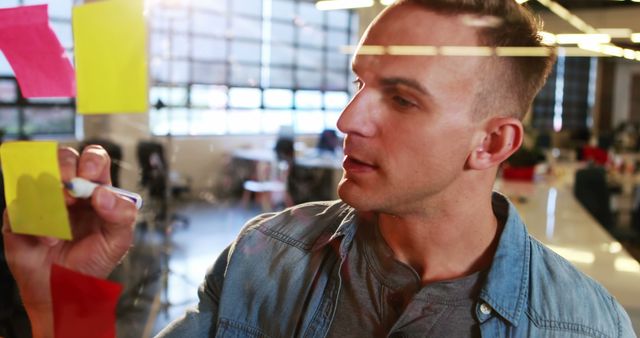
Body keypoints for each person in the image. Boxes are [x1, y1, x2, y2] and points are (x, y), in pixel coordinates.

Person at [3, 0, 636, 337]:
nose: (348, 118)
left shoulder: (582, 327)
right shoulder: (265, 258)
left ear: (492, 143)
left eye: (402, 98)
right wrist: (56, 301)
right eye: (359, 82)